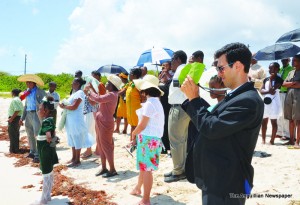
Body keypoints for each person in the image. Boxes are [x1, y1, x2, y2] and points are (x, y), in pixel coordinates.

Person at [180, 42, 264, 205]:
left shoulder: (248, 100)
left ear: (238, 66)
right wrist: (193, 99)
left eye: (221, 68)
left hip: (226, 182)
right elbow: (214, 120)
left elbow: (211, 128)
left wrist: (194, 99)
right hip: (217, 178)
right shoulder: (237, 95)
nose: (219, 74)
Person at [129, 75, 164, 205]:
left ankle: (146, 199)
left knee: (147, 169)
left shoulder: (150, 103)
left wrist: (133, 133)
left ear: (146, 90)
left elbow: (142, 125)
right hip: (151, 138)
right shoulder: (156, 102)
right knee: (144, 167)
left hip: (148, 139)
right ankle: (138, 188)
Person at [84, 75, 121, 178]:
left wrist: (89, 91)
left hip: (105, 122)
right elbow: (98, 97)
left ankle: (112, 169)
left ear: (113, 85)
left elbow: (99, 99)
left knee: (107, 146)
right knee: (101, 145)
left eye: (108, 83)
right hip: (101, 121)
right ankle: (104, 167)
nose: (106, 84)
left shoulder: (112, 95)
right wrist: (91, 89)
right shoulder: (110, 94)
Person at [164, 50, 190, 183]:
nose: (170, 62)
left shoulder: (181, 69)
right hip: (182, 107)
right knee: (181, 141)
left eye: (172, 59)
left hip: (178, 107)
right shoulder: (182, 69)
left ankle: (178, 171)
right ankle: (181, 169)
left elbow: (180, 85)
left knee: (175, 141)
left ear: (178, 59)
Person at [59, 78, 91, 167]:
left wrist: (64, 106)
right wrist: (63, 106)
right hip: (71, 119)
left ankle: (77, 160)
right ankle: (73, 158)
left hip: (76, 119)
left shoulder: (80, 93)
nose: (71, 84)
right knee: (72, 138)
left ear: (77, 84)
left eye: (73, 83)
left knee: (77, 138)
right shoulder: (74, 93)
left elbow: (74, 107)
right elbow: (71, 106)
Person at [18, 74, 47, 163]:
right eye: (27, 82)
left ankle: (38, 154)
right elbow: (26, 106)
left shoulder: (40, 92)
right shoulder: (27, 92)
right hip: (28, 115)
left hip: (36, 114)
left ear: (34, 83)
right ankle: (32, 151)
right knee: (29, 134)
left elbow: (45, 102)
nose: (28, 84)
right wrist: (22, 118)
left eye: (29, 82)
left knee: (37, 135)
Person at [36, 96, 58, 205]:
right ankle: (48, 196)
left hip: (45, 151)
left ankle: (43, 199)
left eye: (40, 109)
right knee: (49, 173)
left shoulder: (46, 122)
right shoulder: (49, 120)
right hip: (48, 151)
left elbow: (49, 137)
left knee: (46, 174)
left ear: (46, 111)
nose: (38, 111)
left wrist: (53, 139)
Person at [260, 62, 283, 145]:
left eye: (272, 68)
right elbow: (261, 91)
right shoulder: (266, 79)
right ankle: (263, 139)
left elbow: (272, 91)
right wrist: (267, 91)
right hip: (266, 102)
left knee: (273, 121)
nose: (270, 70)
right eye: (269, 68)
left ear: (277, 69)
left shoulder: (279, 79)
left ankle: (272, 140)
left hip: (274, 103)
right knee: (264, 121)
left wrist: (271, 79)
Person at [282, 54, 300, 148]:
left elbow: (299, 85)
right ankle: (291, 140)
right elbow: (284, 84)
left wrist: (291, 84)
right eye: (293, 60)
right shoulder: (291, 72)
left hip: (298, 97)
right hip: (289, 96)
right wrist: (293, 83)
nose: (293, 62)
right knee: (290, 119)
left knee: (298, 119)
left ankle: (297, 142)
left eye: (295, 60)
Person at [276, 58, 294, 140]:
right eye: (282, 60)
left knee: (285, 114)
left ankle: (287, 134)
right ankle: (279, 132)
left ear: (289, 60)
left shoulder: (292, 69)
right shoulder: (280, 69)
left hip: (286, 93)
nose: (283, 61)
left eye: (285, 60)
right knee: (279, 113)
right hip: (278, 92)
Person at [126, 68, 143, 139]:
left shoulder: (139, 84)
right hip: (130, 110)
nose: (129, 76)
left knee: (136, 126)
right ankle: (132, 141)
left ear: (135, 75)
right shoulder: (130, 84)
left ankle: (135, 142)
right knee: (132, 125)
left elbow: (143, 96)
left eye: (130, 74)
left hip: (137, 109)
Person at [7, 89, 24, 153]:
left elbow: (17, 110)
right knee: (16, 134)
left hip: (14, 118)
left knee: (12, 134)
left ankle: (13, 150)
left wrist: (11, 119)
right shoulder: (18, 99)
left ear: (13, 93)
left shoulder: (15, 100)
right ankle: (15, 149)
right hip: (18, 118)